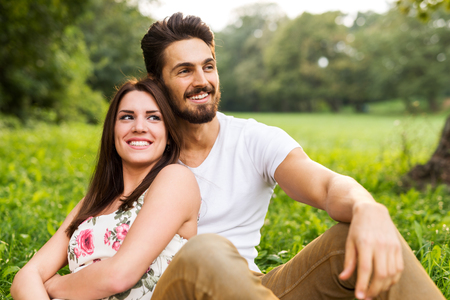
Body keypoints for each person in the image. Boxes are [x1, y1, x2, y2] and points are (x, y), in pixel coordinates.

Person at [35, 13, 444, 300]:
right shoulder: (145, 152)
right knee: (205, 250)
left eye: (208, 67)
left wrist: (367, 207)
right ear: (157, 82)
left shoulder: (252, 139)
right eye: (184, 71)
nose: (202, 81)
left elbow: (323, 184)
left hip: (252, 288)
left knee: (347, 237)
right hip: (175, 289)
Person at [10, 78, 201, 299]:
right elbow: (28, 275)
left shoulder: (175, 179)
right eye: (127, 117)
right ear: (112, 131)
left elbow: (119, 276)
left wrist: (54, 286)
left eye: (153, 117)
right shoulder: (94, 200)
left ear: (169, 135)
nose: (139, 127)